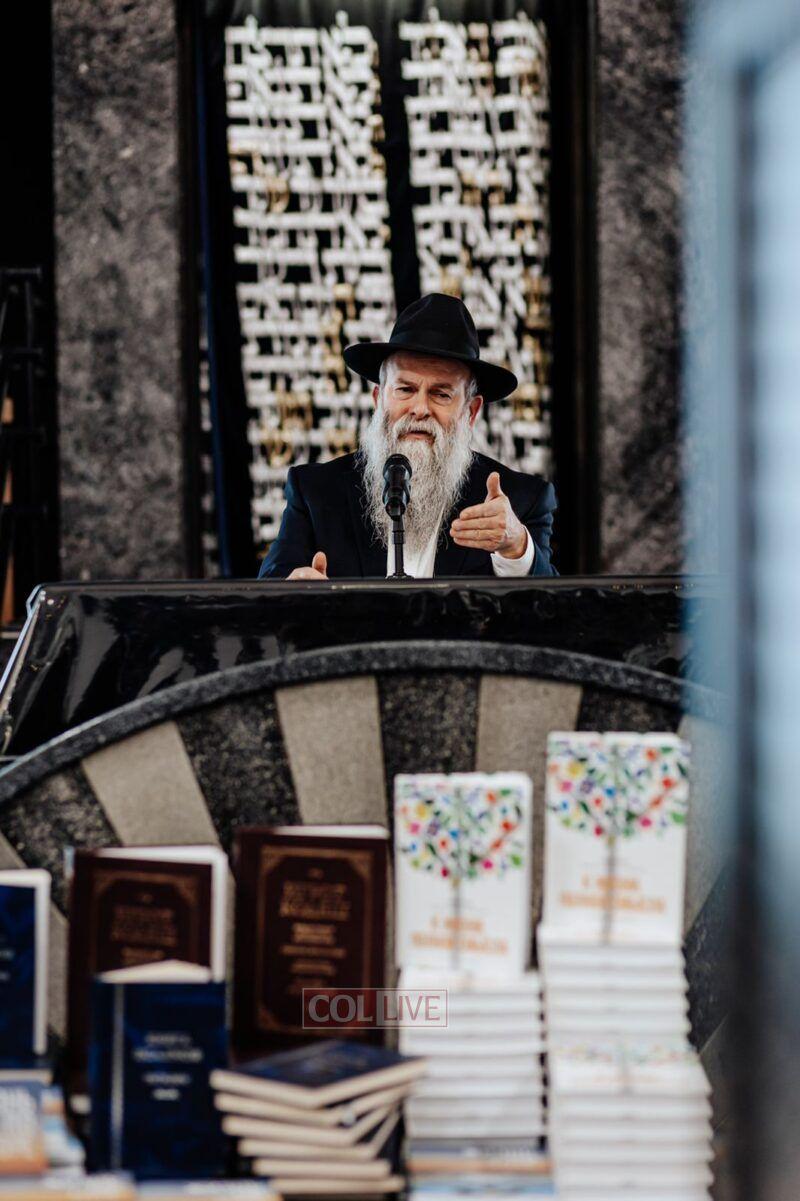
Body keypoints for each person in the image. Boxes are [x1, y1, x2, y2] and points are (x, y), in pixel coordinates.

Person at [258, 293, 557, 579]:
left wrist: (517, 548)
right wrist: (294, 592)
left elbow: (552, 608)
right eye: (405, 389)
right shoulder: (316, 492)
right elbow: (267, 592)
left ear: (471, 411)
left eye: (441, 394)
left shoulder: (520, 502)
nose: (420, 409)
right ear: (379, 399)